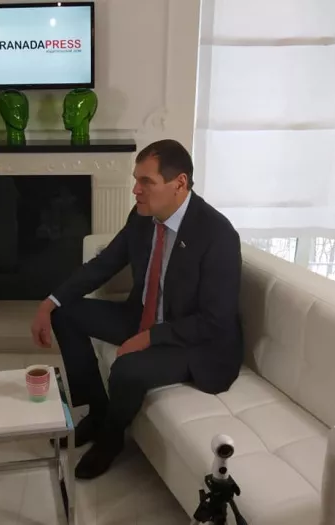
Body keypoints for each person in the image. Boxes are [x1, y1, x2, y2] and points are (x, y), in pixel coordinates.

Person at [30, 139, 244, 480]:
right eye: (136, 180)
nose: (136, 190)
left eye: (146, 182)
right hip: (142, 316)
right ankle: (98, 411)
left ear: (179, 184)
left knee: (127, 368)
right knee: (65, 313)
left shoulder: (218, 235)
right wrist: (50, 301)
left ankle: (111, 439)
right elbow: (104, 264)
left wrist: (149, 338)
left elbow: (215, 321)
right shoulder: (143, 217)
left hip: (196, 342)